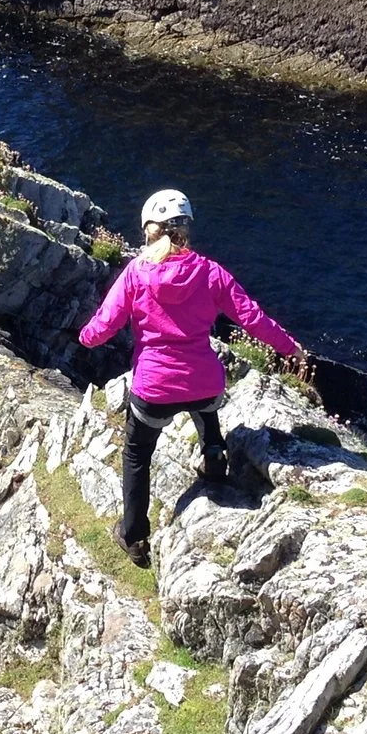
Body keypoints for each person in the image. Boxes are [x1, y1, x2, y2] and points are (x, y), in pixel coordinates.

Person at [77, 188, 304, 567]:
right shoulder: (210, 272)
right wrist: (289, 347)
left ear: (149, 230)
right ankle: (215, 462)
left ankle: (133, 536)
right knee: (206, 408)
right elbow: (252, 318)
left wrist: (84, 338)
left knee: (136, 455)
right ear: (186, 228)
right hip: (204, 382)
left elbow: (104, 324)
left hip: (154, 388)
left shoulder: (137, 273)